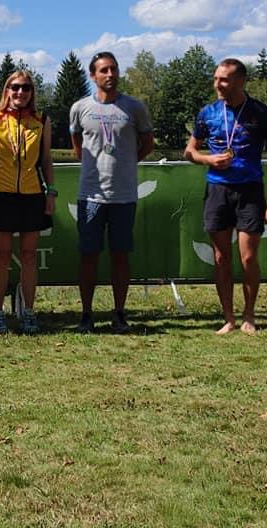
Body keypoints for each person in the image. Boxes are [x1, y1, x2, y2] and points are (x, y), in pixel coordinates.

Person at [184, 57, 267, 334]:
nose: (218, 84)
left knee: (249, 258)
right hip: (217, 189)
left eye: (224, 79)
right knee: (220, 257)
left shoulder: (261, 113)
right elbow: (190, 152)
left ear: (240, 81)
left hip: (250, 190)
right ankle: (228, 318)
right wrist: (209, 160)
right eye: (216, 78)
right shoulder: (207, 113)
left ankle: (249, 315)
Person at [70, 51, 154, 334]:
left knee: (120, 255)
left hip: (124, 196)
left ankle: (119, 314)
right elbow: (76, 143)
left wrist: (128, 163)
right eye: (104, 70)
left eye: (114, 69)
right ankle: (86, 315)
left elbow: (147, 144)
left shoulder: (134, 107)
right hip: (91, 195)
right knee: (88, 255)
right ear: (93, 75)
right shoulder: (80, 107)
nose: (110, 74)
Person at [0, 70, 55, 335]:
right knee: (1, 256)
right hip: (1, 194)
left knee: (29, 256)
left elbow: (46, 160)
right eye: (15, 87)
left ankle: (29, 313)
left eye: (25, 88)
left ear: (32, 92)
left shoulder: (42, 120)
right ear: (7, 90)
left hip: (33, 195)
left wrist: (51, 193)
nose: (20, 92)